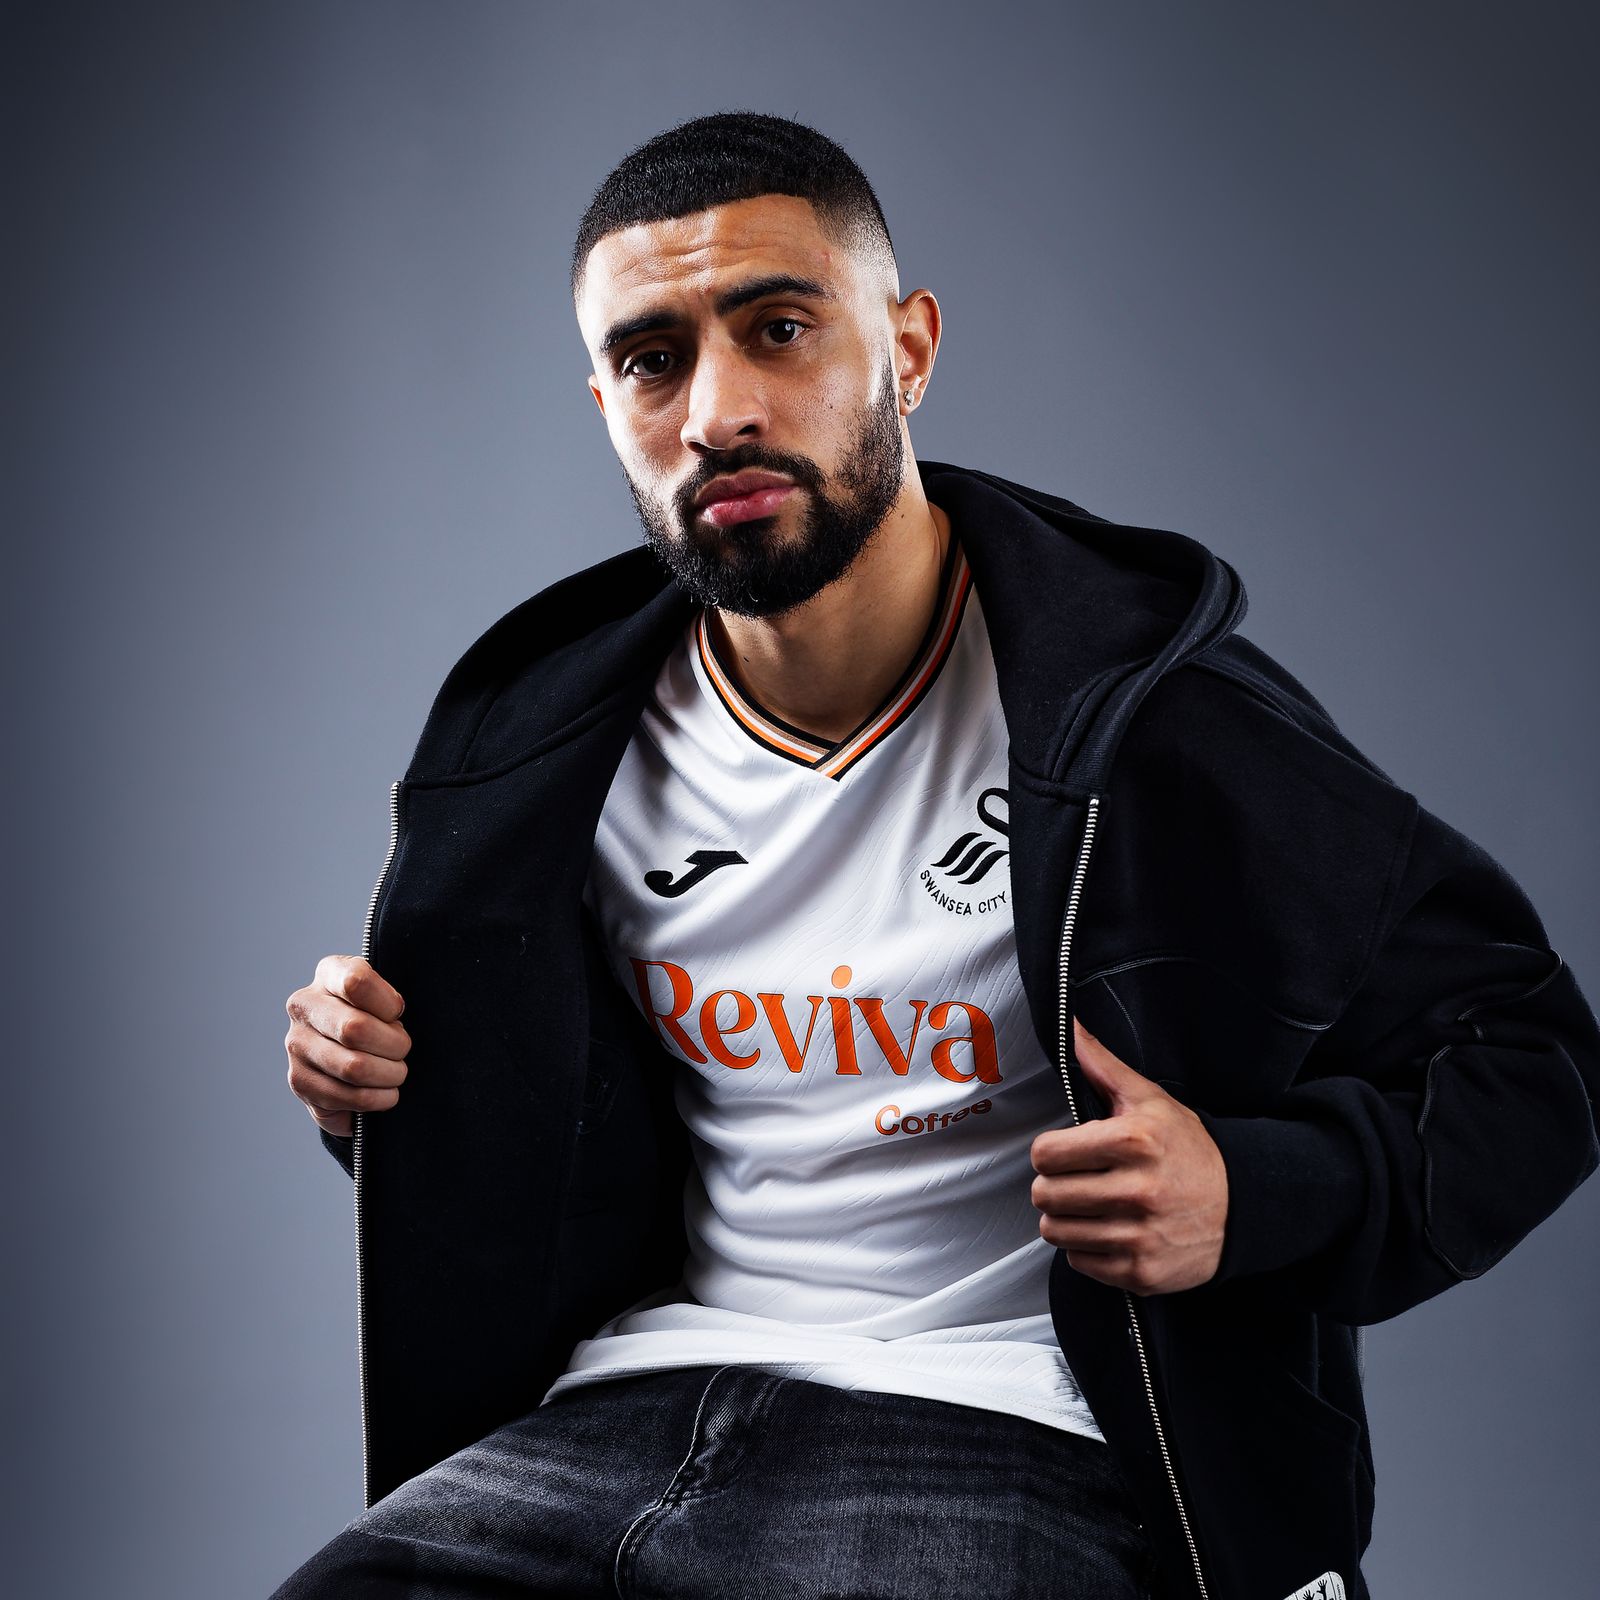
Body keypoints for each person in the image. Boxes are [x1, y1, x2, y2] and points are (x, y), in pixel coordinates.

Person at [274, 112, 1600, 1600]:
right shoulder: (536, 737)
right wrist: (377, 1089)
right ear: (602, 402)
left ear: (906, 349)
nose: (718, 408)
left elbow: (1533, 1058)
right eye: (653, 360)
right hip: (636, 1395)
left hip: (1012, 1411)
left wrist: (1257, 1188)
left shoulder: (1149, 716)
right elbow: (541, 1128)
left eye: (779, 328)